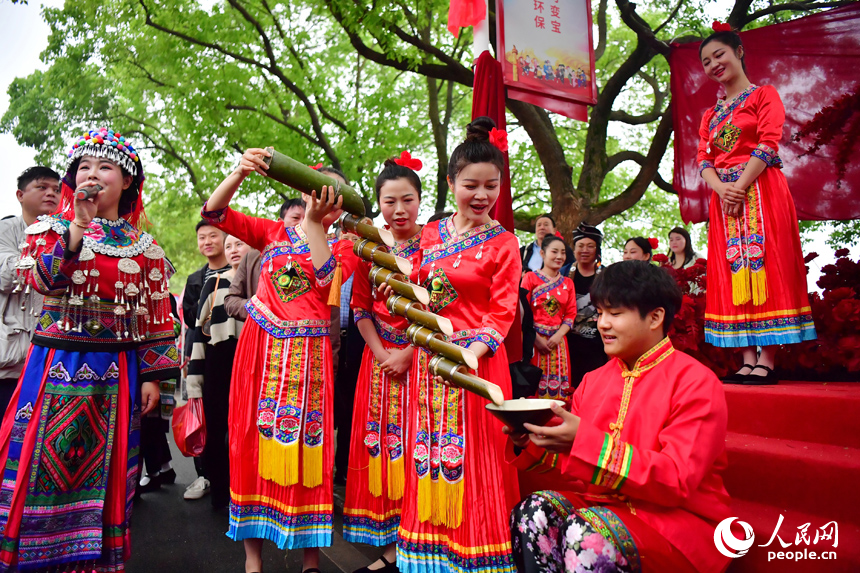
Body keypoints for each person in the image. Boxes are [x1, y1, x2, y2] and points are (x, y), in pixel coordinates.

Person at [0, 127, 179, 571]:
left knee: (109, 467)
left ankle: (94, 559)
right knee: (39, 460)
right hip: (55, 364)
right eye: (84, 166)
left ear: (127, 181)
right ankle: (32, 556)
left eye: (105, 166)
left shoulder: (146, 248)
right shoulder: (51, 229)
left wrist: (154, 378)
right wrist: (78, 225)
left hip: (118, 371)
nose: (92, 174)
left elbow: (156, 316)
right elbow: (44, 281)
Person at [507, 261, 731, 573]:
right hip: (603, 509)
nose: (602, 324)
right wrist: (531, 439)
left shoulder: (696, 382)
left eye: (615, 313)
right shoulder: (593, 380)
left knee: (586, 531)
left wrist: (585, 441)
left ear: (655, 317)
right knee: (534, 511)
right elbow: (577, 461)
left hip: (678, 522)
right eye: (600, 313)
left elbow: (676, 480)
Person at [201, 148, 357, 573]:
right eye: (318, 189)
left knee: (309, 451)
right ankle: (252, 560)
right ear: (305, 191)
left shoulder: (346, 245)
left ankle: (311, 562)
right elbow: (214, 212)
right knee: (250, 443)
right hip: (260, 352)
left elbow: (327, 281)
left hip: (310, 360)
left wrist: (314, 224)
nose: (325, 198)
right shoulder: (271, 233)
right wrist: (239, 171)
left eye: (336, 194)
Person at [394, 117, 521, 573]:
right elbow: (416, 287)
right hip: (430, 361)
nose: (482, 195)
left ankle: (478, 555)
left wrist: (469, 355)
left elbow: (502, 312)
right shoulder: (430, 234)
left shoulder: (505, 243)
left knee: (475, 457)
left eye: (491, 186)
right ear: (451, 184)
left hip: (476, 365)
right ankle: (428, 554)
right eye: (471, 185)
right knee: (428, 450)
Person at [698, 25, 816, 384]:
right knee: (732, 268)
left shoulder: (764, 95)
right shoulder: (710, 115)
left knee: (767, 262)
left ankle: (768, 359)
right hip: (724, 198)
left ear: (738, 51)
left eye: (719, 54)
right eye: (706, 62)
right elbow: (703, 159)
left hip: (761, 188)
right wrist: (722, 189)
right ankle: (747, 358)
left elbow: (768, 142)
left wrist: (738, 186)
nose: (714, 64)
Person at [343, 155, 424, 571]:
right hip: (379, 365)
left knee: (419, 450)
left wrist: (409, 354)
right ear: (378, 204)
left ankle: (418, 544)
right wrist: (381, 354)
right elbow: (359, 308)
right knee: (385, 451)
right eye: (390, 201)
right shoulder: (369, 248)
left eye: (407, 199)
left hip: (425, 362)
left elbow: (446, 310)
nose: (399, 209)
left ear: (420, 201)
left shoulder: (437, 246)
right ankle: (392, 549)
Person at [186, 234, 251, 510]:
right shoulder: (213, 283)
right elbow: (199, 333)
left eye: (240, 244)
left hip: (252, 361)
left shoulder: (264, 282)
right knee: (216, 429)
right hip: (218, 360)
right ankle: (220, 496)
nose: (233, 250)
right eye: (229, 246)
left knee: (249, 429)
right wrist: (194, 381)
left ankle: (247, 492)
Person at [0, 166, 61, 413]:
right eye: (42, 187)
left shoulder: (66, 235)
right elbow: (6, 276)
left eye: (56, 189)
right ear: (20, 195)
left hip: (50, 361)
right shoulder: (5, 230)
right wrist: (52, 258)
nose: (51, 193)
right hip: (9, 362)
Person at [520, 235, 576, 403]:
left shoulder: (568, 283)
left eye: (563, 252)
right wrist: (535, 338)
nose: (559, 256)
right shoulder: (530, 278)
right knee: (534, 388)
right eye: (554, 251)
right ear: (543, 253)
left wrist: (558, 336)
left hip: (558, 343)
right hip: (533, 341)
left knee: (559, 392)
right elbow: (522, 311)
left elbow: (571, 314)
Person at [565, 223, 607, 389]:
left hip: (598, 345)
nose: (585, 250)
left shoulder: (607, 275)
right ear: (574, 249)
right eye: (580, 245)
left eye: (590, 246)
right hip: (568, 344)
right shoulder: (563, 273)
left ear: (597, 250)